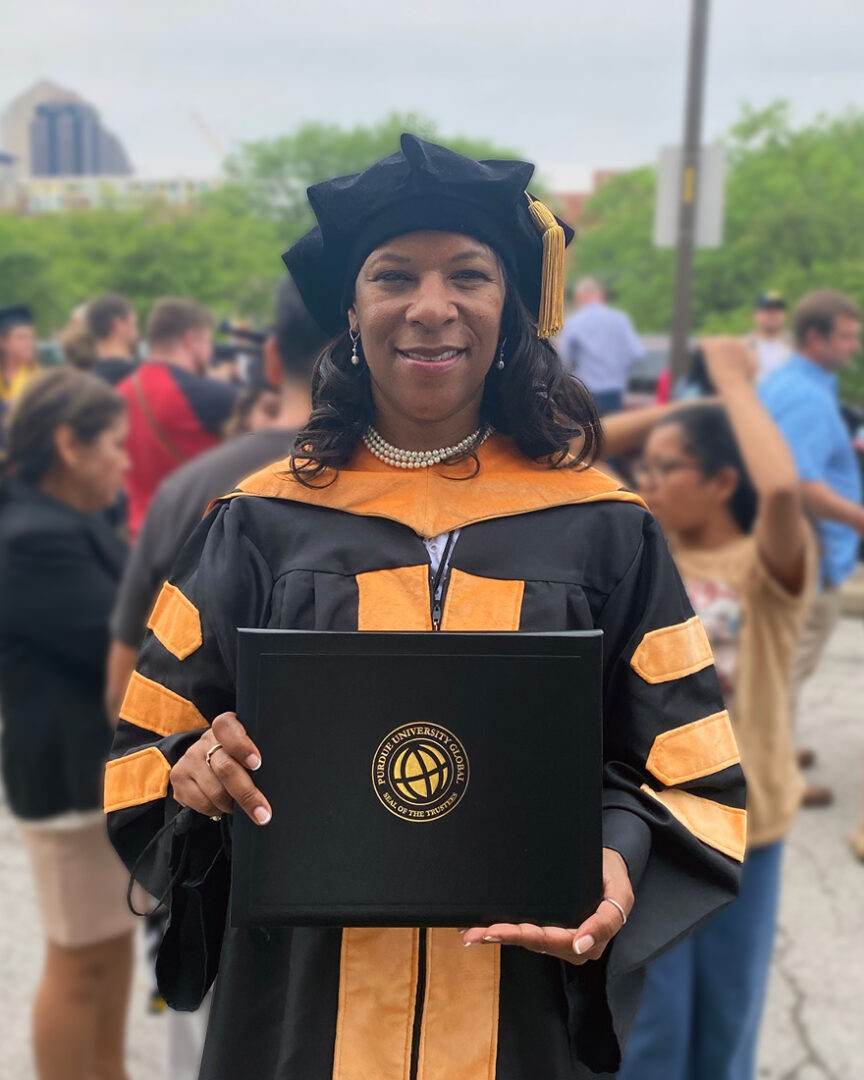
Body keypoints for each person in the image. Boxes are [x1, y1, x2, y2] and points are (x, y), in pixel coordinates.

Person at [105, 135, 744, 1080]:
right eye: (393, 275)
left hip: (518, 1018)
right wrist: (194, 775)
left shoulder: (604, 530)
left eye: (470, 276)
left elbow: (683, 773)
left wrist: (616, 860)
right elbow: (143, 762)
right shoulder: (262, 524)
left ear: (513, 308)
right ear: (352, 311)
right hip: (301, 1022)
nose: (432, 307)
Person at [102, 276, 328, 1080]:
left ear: (270, 357)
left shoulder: (195, 490)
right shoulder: (456, 509)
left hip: (217, 869)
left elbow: (127, 687)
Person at [618, 338, 814, 1080]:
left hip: (748, 826)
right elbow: (580, 445)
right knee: (653, 1025)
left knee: (727, 1019)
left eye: (670, 469)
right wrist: (695, 402)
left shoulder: (769, 569)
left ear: (723, 478)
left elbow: (786, 494)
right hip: (661, 823)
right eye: (651, 467)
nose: (650, 479)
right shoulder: (647, 550)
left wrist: (739, 389)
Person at [0, 369, 135, 1080]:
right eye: (114, 443)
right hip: (67, 776)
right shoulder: (31, 539)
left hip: (95, 774)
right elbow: (117, 640)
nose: (126, 460)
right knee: (79, 963)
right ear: (67, 445)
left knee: (109, 956)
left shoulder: (66, 522)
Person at [761, 289, 863, 807]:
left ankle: (776, 751)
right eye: (846, 336)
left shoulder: (797, 385)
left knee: (783, 665)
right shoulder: (803, 394)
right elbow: (801, 484)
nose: (855, 346)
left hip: (794, 548)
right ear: (816, 337)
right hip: (804, 549)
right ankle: (772, 776)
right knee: (785, 668)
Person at [116, 297, 236, 542]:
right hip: (195, 539)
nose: (210, 351)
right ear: (191, 340)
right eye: (207, 341)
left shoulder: (120, 392)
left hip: (139, 540)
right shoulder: (208, 394)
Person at [557, 277, 645, 415]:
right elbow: (636, 353)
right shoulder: (619, 319)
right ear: (601, 295)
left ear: (579, 298)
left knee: (588, 434)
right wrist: (618, 373)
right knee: (612, 434)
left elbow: (564, 359)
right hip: (613, 390)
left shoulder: (574, 322)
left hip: (585, 391)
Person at [85, 293, 140, 386]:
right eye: (134, 325)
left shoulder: (87, 384)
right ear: (117, 325)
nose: (137, 333)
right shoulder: (138, 379)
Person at [746, 291, 792, 383]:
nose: (773, 314)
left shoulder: (798, 346)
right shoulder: (742, 347)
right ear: (755, 315)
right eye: (767, 310)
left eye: (778, 309)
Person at [0, 304, 39, 403]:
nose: (29, 343)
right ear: (3, 342)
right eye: (21, 337)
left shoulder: (38, 377)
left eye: (31, 337)